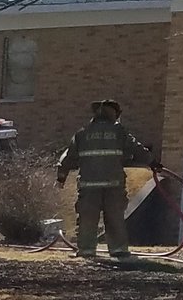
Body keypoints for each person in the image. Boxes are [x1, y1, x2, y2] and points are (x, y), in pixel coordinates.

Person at [55, 98, 152, 261]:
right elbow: (137, 148)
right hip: (114, 185)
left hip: (88, 186)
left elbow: (67, 157)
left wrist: (61, 177)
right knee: (115, 218)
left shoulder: (82, 133)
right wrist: (153, 162)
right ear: (114, 113)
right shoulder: (119, 132)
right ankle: (119, 250)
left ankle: (86, 251)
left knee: (87, 219)